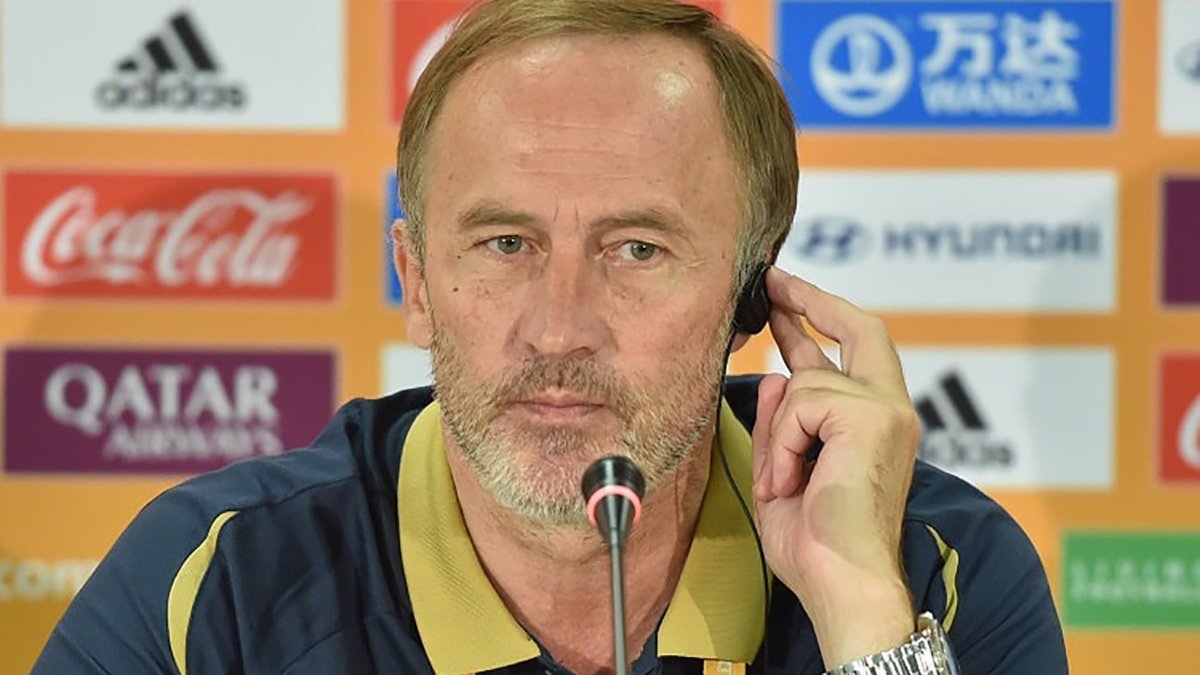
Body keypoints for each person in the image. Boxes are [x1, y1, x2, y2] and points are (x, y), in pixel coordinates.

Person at [33, 1, 1068, 673]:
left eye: (637, 249)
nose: (559, 328)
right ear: (417, 282)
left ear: (754, 297)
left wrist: (863, 616)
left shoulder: (928, 567)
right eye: (505, 243)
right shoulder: (215, 581)